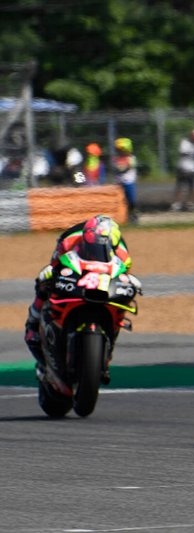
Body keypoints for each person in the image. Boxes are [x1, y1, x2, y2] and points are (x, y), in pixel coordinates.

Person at [23, 215, 139, 378]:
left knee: (119, 304)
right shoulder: (68, 242)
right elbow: (55, 266)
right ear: (86, 239)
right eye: (92, 245)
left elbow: (123, 276)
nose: (97, 250)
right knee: (44, 281)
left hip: (102, 282)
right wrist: (51, 272)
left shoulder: (122, 254)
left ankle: (108, 349)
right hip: (76, 274)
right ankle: (33, 322)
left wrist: (130, 283)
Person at [172, 128, 194, 211]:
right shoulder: (185, 142)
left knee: (192, 188)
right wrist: (193, 151)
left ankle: (190, 204)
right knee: (179, 187)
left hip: (193, 169)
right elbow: (182, 153)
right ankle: (176, 204)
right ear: (191, 136)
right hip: (183, 168)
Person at [112, 137, 138, 223]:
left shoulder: (131, 158)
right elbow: (115, 168)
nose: (119, 152)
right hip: (119, 183)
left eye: (121, 150)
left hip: (128, 182)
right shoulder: (116, 159)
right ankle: (122, 217)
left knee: (131, 200)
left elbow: (127, 168)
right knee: (120, 201)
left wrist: (120, 169)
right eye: (118, 150)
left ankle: (133, 215)